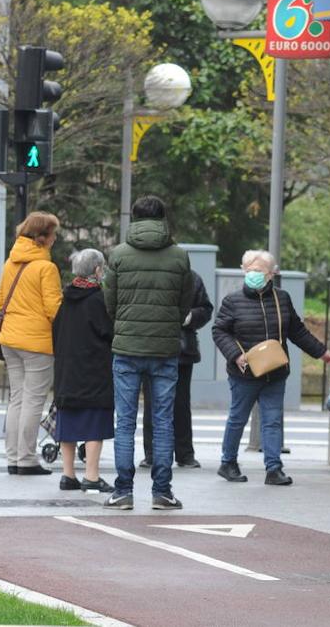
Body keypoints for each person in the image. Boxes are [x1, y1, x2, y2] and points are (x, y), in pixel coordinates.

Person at [102, 196, 195, 510]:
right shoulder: (179, 257)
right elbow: (185, 303)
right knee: (163, 421)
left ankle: (123, 491)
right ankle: (162, 492)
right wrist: (170, 323)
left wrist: (125, 323)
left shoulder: (118, 254)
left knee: (125, 422)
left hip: (127, 348)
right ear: (163, 219)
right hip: (165, 349)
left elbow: (109, 302)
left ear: (135, 219)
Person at [213, 250, 330, 486]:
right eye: (249, 270)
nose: (253, 275)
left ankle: (273, 468)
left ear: (271, 274)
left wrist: (321, 352)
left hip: (275, 371)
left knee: (272, 419)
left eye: (258, 271)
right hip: (244, 372)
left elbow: (297, 331)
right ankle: (228, 463)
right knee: (238, 418)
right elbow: (219, 330)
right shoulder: (232, 301)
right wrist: (235, 354)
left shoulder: (282, 299)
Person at [0, 212, 63, 476]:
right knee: (34, 400)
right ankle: (27, 459)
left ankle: (13, 457)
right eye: (53, 234)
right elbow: (54, 309)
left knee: (17, 399)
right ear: (42, 238)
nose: (55, 239)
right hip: (36, 342)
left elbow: (1, 301)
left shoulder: (10, 263)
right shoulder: (46, 268)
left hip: (10, 339)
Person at [50, 249, 115, 493]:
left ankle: (68, 475)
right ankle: (91, 475)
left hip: (66, 372)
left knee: (68, 421)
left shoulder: (65, 299)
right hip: (93, 372)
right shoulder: (98, 300)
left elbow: (55, 332)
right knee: (93, 422)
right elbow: (109, 333)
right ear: (97, 270)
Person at [139, 269, 212, 469]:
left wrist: (189, 317)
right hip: (153, 348)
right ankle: (154, 454)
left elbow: (206, 309)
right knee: (153, 404)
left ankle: (184, 453)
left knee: (180, 403)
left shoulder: (191, 277)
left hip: (180, 350)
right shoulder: (150, 274)